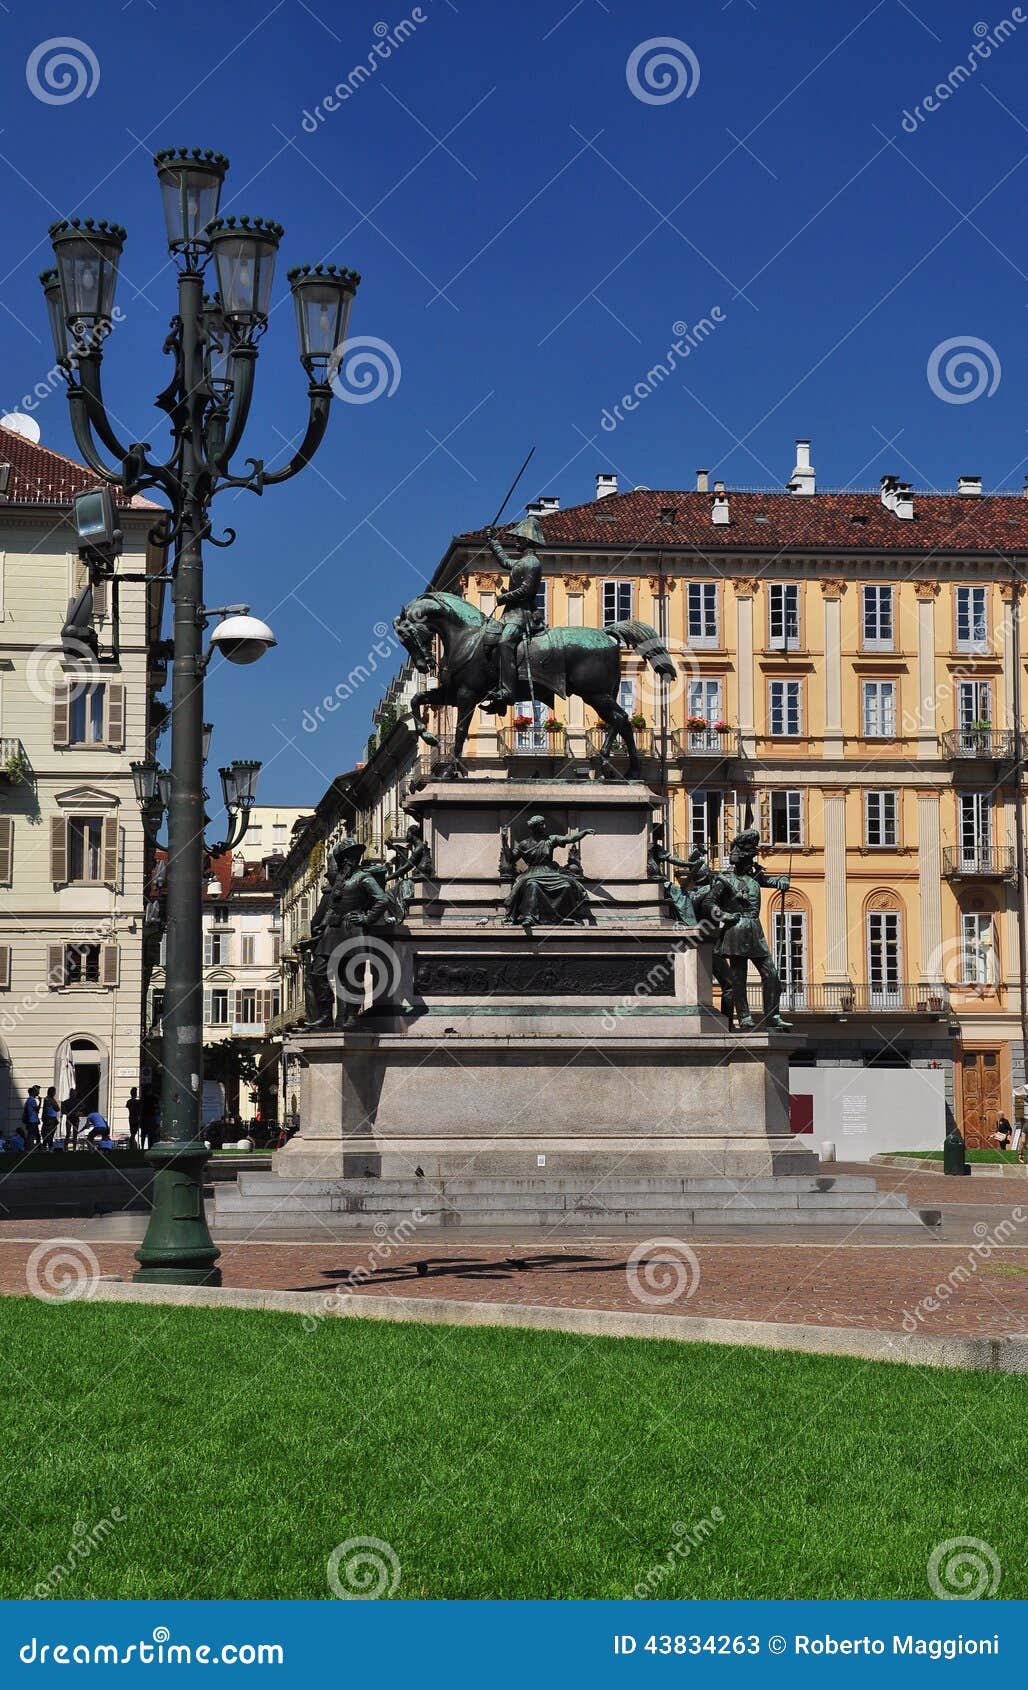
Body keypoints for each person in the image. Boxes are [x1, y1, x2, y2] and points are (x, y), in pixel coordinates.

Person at [482, 515, 546, 709]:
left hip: (523, 616)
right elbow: (504, 561)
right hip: (510, 614)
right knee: (487, 639)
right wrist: (492, 540)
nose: (516, 541)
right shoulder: (522, 562)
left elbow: (527, 590)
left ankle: (508, 691)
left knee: (505, 642)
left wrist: (504, 597)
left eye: (519, 538)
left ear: (527, 540)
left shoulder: (533, 563)